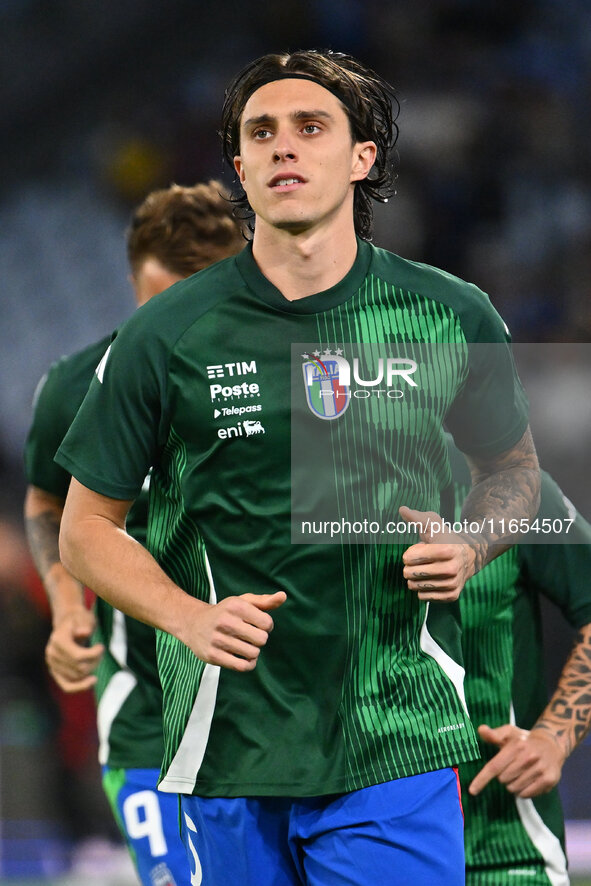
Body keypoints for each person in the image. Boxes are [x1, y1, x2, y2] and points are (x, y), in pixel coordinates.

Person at [56, 50, 541, 886]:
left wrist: (469, 544)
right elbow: (84, 530)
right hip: (227, 750)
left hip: (397, 738)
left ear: (362, 158)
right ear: (238, 169)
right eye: (261, 133)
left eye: (310, 127)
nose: (284, 147)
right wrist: (183, 616)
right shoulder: (164, 335)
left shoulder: (449, 313)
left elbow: (513, 474)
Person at [23, 180, 245, 886]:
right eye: (161, 301)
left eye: (198, 297)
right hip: (148, 711)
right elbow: (46, 506)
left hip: (270, 711)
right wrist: (64, 606)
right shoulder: (75, 385)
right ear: (131, 283)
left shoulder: (286, 383)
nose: (177, 322)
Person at [445, 439, 591, 885]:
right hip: (359, 843)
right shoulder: (313, 496)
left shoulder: (515, 490)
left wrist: (554, 737)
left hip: (505, 848)